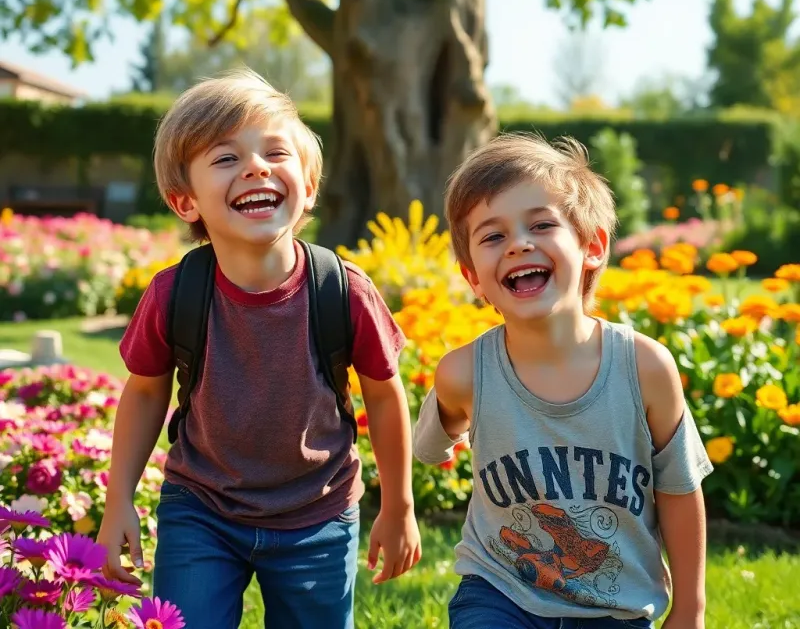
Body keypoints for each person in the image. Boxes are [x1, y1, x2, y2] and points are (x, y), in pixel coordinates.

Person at [97, 69, 421, 629]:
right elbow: (147, 393)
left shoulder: (342, 291)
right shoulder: (174, 294)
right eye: (225, 159)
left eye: (275, 152)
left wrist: (399, 507)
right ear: (185, 201)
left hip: (318, 514)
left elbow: (386, 397)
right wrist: (117, 500)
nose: (255, 167)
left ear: (309, 186)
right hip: (201, 511)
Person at [413, 132, 712, 629]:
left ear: (592, 246)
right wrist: (441, 444)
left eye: (541, 224)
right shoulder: (465, 373)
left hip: (614, 607)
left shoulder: (645, 369)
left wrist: (691, 609)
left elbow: (679, 491)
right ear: (473, 278)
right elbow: (434, 441)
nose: (518, 244)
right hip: (499, 590)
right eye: (493, 236)